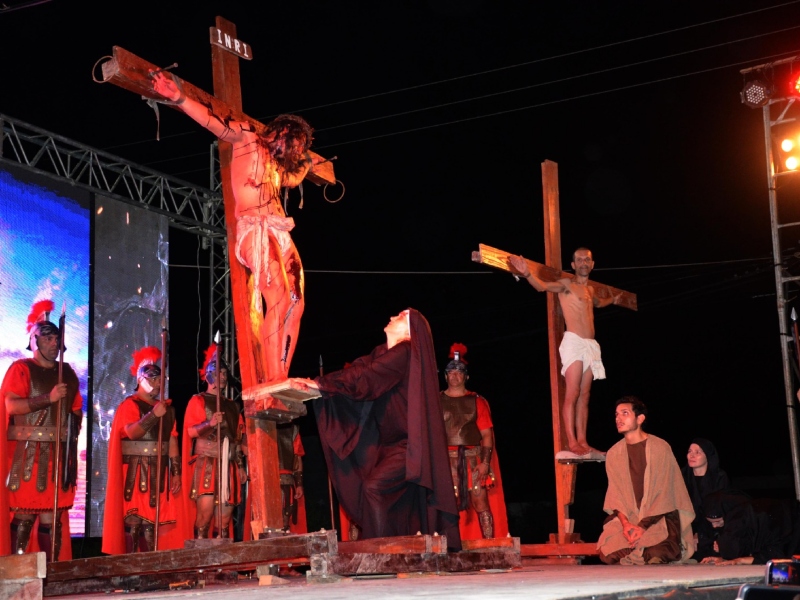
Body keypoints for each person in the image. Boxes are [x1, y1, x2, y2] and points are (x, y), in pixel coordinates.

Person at [151, 72, 322, 384]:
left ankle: (281, 373)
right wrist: (179, 97)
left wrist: (309, 163)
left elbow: (294, 177)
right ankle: (273, 378)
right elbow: (213, 122)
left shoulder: (276, 167)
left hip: (279, 230)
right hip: (253, 230)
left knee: (296, 300)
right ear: (283, 131)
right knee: (278, 295)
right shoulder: (247, 138)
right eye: (296, 145)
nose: (295, 153)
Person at [290, 309, 461, 550]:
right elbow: (359, 370)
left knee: (374, 488)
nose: (392, 317)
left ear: (410, 331)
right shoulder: (383, 353)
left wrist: (321, 384)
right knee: (396, 501)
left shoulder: (405, 351)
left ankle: (380, 552)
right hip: (390, 445)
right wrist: (319, 385)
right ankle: (401, 550)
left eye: (400, 317)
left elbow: (368, 377)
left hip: (411, 446)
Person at [509, 249, 620, 458]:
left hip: (590, 345)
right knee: (573, 392)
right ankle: (572, 442)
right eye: (579, 260)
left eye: (587, 259)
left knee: (585, 396)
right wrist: (527, 274)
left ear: (592, 264)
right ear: (573, 264)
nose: (583, 262)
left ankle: (583, 442)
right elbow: (542, 287)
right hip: (574, 342)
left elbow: (599, 302)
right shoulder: (567, 285)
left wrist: (614, 299)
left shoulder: (590, 291)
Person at [2, 300, 82, 561]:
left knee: (52, 516)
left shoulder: (67, 372)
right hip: (27, 456)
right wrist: (48, 398)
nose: (54, 343)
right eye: (47, 338)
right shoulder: (21, 368)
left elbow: (76, 410)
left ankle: (51, 572)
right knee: (24, 514)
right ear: (34, 340)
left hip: (57, 456)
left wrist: (72, 430)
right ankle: (17, 570)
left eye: (56, 338)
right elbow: (11, 406)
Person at [102, 346, 187, 554]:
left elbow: (171, 441)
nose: (158, 384)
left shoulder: (167, 410)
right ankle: (131, 566)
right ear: (142, 380)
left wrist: (176, 472)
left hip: (157, 471)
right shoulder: (129, 405)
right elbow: (132, 432)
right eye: (154, 379)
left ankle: (148, 566)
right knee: (133, 521)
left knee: (151, 524)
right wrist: (153, 415)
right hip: (135, 470)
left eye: (160, 380)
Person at [597, 396, 695, 564]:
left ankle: (645, 551)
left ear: (640, 418)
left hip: (658, 516)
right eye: (616, 414)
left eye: (625, 413)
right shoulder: (614, 453)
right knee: (608, 552)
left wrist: (642, 527)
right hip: (629, 519)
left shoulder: (660, 447)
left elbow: (666, 493)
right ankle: (639, 550)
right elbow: (615, 495)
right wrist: (626, 525)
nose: (618, 418)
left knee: (659, 551)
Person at [439, 343, 508, 540]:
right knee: (444, 505)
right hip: (445, 461)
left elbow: (486, 435)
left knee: (480, 503)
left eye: (459, 372)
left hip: (472, 461)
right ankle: (446, 546)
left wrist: (485, 463)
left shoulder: (477, 401)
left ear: (466, 377)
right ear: (446, 376)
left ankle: (489, 546)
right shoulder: (436, 401)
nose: (455, 375)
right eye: (451, 372)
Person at [182, 343, 247, 539]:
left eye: (225, 373)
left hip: (229, 464)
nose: (223, 377)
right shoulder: (198, 400)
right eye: (219, 373)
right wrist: (209, 424)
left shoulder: (233, 406)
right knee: (205, 515)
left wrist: (241, 466)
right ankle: (200, 556)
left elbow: (237, 438)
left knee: (225, 519)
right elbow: (191, 432)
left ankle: (223, 558)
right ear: (209, 376)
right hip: (207, 463)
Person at [700, 490, 800, 566]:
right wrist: (725, 557)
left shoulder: (778, 527)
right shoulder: (747, 518)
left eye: (717, 521)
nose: (714, 526)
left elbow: (775, 555)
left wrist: (737, 559)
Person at [681, 438, 730, 560]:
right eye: (690, 451)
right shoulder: (682, 477)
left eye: (698, 452)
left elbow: (722, 510)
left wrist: (700, 535)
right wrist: (690, 534)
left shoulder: (719, 477)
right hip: (687, 529)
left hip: (713, 529)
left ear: (707, 456)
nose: (692, 455)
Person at [277, 422, 307, 533]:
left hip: (286, 480)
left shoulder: (292, 429)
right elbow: (246, 449)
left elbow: (297, 457)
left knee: (284, 521)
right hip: (267, 480)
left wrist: (299, 484)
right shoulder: (260, 423)